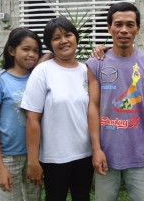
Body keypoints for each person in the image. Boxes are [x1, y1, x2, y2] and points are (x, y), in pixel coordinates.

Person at [86, 2, 144, 201]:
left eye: (130, 24)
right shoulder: (96, 63)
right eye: (118, 24)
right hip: (106, 153)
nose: (124, 30)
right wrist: (96, 149)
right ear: (109, 28)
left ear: (137, 29)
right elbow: (93, 106)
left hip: (141, 153)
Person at [20, 17, 93, 201]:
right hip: (54, 157)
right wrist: (33, 161)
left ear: (76, 38)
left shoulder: (87, 71)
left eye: (68, 35)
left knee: (82, 197)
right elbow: (32, 119)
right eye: (56, 38)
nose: (63, 41)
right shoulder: (43, 71)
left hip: (85, 153)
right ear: (50, 44)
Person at [0, 27, 42, 201]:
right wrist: (0, 167)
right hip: (8, 156)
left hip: (35, 154)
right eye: (26, 49)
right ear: (11, 50)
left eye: (36, 51)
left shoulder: (38, 77)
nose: (32, 54)